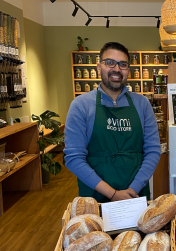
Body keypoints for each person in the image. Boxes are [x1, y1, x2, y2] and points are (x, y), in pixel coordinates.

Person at [64, 41, 160, 202]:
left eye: (122, 64)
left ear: (128, 70)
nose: (116, 69)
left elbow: (153, 151)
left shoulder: (142, 104)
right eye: (110, 62)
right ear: (98, 67)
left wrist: (132, 190)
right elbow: (73, 158)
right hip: (95, 195)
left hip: (135, 194)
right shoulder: (81, 105)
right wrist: (113, 194)